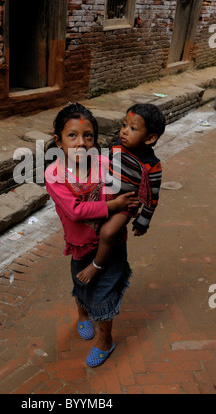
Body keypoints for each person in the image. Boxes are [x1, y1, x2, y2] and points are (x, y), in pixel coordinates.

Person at [45, 102, 139, 367]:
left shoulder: (106, 164)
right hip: (81, 245)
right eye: (72, 135)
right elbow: (75, 211)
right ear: (59, 141)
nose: (81, 143)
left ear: (95, 140)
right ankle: (82, 315)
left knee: (104, 295)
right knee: (81, 285)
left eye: (88, 136)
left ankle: (105, 341)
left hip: (111, 245)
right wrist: (112, 205)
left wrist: (133, 202)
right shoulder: (54, 175)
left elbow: (128, 191)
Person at [76, 103, 166, 285]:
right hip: (105, 195)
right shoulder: (117, 147)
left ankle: (97, 265)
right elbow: (106, 165)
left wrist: (143, 221)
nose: (124, 131)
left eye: (132, 128)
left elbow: (152, 198)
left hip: (126, 204)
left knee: (108, 232)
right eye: (124, 125)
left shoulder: (152, 165)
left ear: (150, 138)